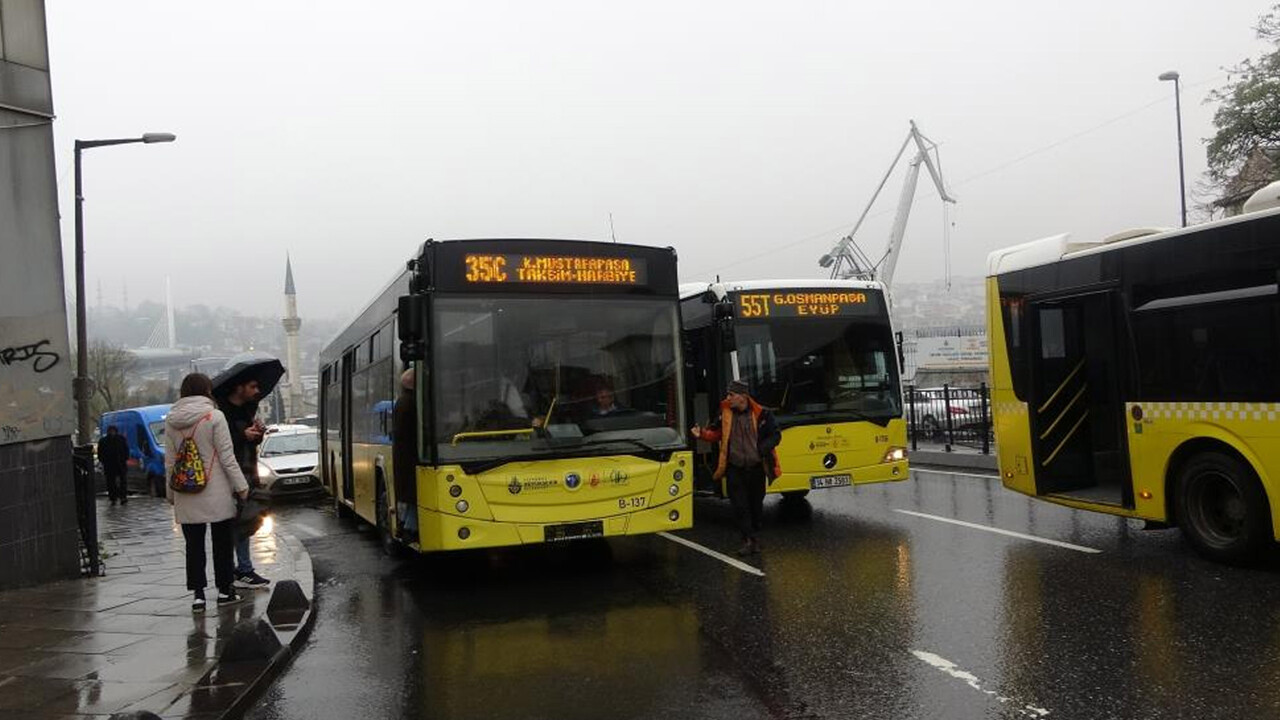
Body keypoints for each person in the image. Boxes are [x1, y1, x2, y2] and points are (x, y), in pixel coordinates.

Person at [165, 373, 251, 611]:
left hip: (185, 492)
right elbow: (227, 457)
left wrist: (171, 495)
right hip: (216, 491)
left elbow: (170, 463)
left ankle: (199, 596)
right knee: (222, 543)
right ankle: (225, 591)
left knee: (193, 546)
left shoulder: (172, 421)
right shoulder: (215, 416)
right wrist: (241, 487)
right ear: (206, 391)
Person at [690, 379, 782, 556]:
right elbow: (716, 433)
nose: (728, 398)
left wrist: (761, 449)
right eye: (728, 394)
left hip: (756, 468)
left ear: (743, 397)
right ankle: (748, 540)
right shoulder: (724, 412)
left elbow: (776, 436)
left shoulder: (762, 414)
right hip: (735, 468)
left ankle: (754, 537)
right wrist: (701, 434)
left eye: (731, 395)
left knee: (755, 506)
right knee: (740, 507)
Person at [217, 378, 271, 590]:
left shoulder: (247, 410)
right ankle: (240, 570)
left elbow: (249, 442)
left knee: (247, 520)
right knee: (238, 522)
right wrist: (242, 435)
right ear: (238, 387)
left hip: (249, 472)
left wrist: (257, 434)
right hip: (231, 476)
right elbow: (222, 445)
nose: (257, 391)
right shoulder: (222, 412)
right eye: (252, 386)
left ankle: (242, 569)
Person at [391, 367, 419, 541]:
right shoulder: (410, 403)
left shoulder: (402, 401)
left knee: (410, 499)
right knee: (414, 497)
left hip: (404, 458)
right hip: (410, 458)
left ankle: (405, 525)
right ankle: (409, 528)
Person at [97, 425, 130, 505]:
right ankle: (113, 497)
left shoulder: (121, 439)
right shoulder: (103, 441)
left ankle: (123, 497)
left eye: (113, 431)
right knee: (111, 482)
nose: (112, 433)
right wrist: (103, 460)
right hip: (109, 465)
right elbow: (100, 452)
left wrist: (124, 458)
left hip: (120, 464)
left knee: (123, 481)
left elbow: (126, 450)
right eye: (111, 431)